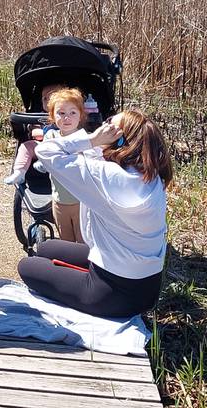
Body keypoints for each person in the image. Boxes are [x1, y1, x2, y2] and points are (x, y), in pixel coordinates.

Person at [17, 110, 173, 318]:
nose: (103, 127)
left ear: (119, 141)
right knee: (46, 247)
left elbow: (45, 151)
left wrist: (92, 139)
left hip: (110, 293)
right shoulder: (151, 177)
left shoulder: (104, 175)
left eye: (110, 126)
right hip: (147, 287)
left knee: (27, 266)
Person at [42, 88, 88, 243]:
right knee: (66, 240)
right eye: (61, 113)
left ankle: (84, 267)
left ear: (80, 115)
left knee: (83, 241)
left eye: (72, 113)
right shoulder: (50, 137)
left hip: (81, 202)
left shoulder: (85, 139)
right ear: (52, 116)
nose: (66, 118)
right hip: (59, 200)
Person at [3, 83, 64, 185]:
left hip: (63, 148)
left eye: (52, 98)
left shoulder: (67, 115)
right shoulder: (39, 115)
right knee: (26, 147)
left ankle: (45, 162)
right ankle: (19, 172)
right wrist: (46, 133)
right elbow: (35, 132)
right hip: (41, 145)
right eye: (44, 99)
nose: (47, 101)